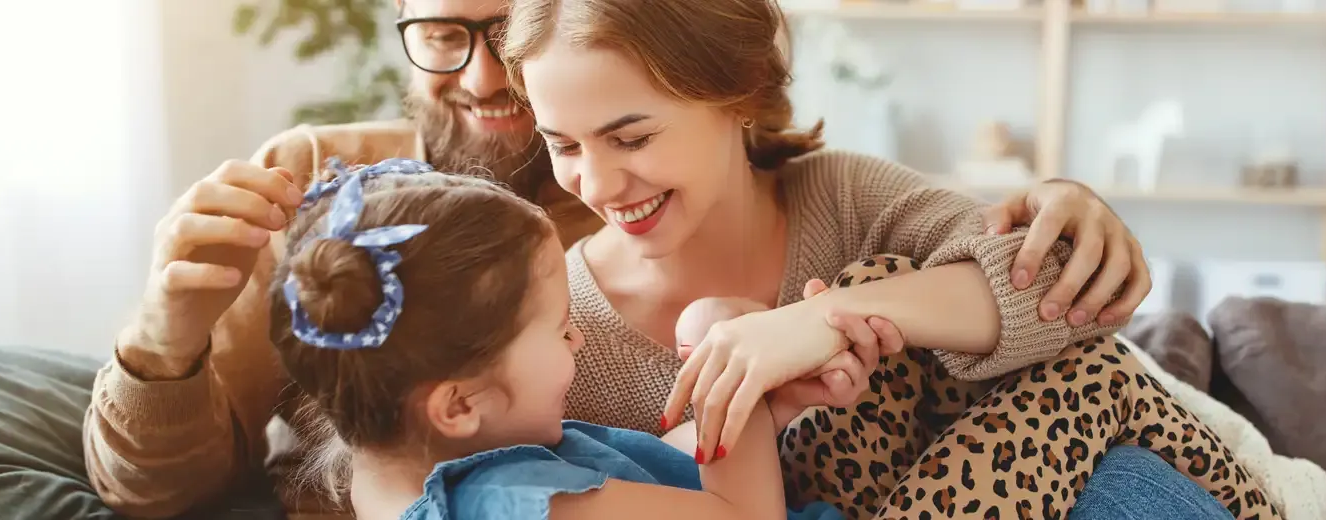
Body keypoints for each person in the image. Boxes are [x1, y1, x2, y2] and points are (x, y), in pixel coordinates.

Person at [82, 0, 1152, 517]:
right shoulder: (411, 256)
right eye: (442, 32)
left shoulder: (829, 192)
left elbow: (1054, 297)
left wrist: (803, 328)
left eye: (506, 26)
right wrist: (159, 341)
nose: (485, 76)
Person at [497, 0, 1279, 517]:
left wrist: (821, 318)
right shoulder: (558, 330)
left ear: (734, 95)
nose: (595, 183)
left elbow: (1049, 301)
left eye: (632, 137)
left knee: (1127, 487)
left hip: (1084, 485)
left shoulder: (842, 198)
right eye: (563, 145)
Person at [269, 160, 886, 520]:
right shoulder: (520, 503)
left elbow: (648, 492)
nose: (580, 337)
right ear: (457, 404)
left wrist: (756, 400)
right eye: (560, 326)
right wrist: (725, 336)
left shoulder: (399, 470)